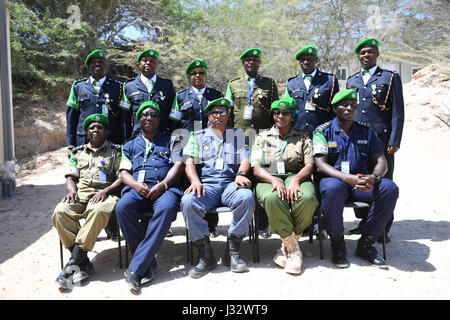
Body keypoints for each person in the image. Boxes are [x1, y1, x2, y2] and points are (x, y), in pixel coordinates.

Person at [313, 89, 399, 269]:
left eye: (353, 105)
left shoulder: (366, 132)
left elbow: (381, 160)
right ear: (335, 108)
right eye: (344, 105)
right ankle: (337, 244)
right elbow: (321, 164)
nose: (349, 108)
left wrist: (374, 177)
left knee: (389, 188)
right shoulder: (322, 131)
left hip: (361, 183)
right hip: (335, 180)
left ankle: (366, 243)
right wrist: (347, 178)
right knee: (332, 189)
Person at [181, 98, 255, 279]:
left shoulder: (237, 134)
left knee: (246, 197)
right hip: (208, 184)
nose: (219, 116)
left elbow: (245, 159)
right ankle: (205, 254)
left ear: (228, 115)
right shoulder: (196, 136)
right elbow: (188, 161)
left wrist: (242, 174)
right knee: (188, 201)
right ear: (208, 116)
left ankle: (233, 251)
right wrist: (195, 181)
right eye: (215, 113)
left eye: (223, 112)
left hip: (231, 182)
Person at [115, 101, 184, 294]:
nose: (149, 117)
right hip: (138, 189)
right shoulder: (128, 145)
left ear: (159, 119)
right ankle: (148, 263)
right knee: (122, 208)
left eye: (153, 114)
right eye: (145, 115)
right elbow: (124, 172)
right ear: (139, 120)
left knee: (167, 208)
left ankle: (137, 269)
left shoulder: (173, 140)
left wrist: (164, 185)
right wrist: (135, 185)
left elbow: (178, 166)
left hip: (165, 188)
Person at [52, 114, 122, 291]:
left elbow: (122, 177)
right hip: (81, 194)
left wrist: (106, 191)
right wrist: (72, 191)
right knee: (60, 211)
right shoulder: (78, 152)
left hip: (105, 194)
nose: (96, 130)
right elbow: (70, 177)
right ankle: (83, 262)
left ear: (106, 131)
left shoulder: (116, 151)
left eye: (99, 127)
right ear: (87, 133)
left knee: (97, 211)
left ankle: (73, 264)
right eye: (92, 128)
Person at [346, 38, 404, 241]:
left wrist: (394, 139)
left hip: (381, 140)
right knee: (361, 180)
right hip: (358, 141)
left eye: (370, 52)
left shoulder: (389, 78)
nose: (366, 56)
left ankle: (383, 228)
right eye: (362, 53)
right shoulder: (351, 81)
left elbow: (398, 111)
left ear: (377, 54)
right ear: (358, 56)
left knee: (383, 182)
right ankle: (365, 222)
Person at [251, 97, 318, 275]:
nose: (281, 116)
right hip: (268, 177)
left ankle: (287, 246)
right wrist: (274, 180)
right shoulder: (261, 137)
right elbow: (256, 168)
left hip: (296, 175)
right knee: (272, 198)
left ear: (292, 115)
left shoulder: (303, 136)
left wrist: (295, 181)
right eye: (276, 113)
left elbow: (310, 165)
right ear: (272, 116)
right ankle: (294, 250)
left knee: (307, 198)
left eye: (285, 113)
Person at [65, 49, 124, 240]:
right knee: (84, 182)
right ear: (88, 66)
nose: (97, 65)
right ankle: (86, 225)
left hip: (111, 141)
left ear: (106, 66)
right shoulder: (77, 87)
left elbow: (123, 117)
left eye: (101, 62)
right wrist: (69, 144)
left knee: (111, 182)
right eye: (93, 62)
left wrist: (124, 141)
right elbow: (71, 118)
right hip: (84, 142)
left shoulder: (117, 87)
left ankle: (112, 226)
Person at [225, 47, 279, 239]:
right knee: (241, 179)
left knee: (261, 179)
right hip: (240, 139)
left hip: (263, 138)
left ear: (259, 63)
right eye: (248, 60)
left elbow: (275, 113)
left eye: (255, 61)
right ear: (243, 63)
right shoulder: (233, 85)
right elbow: (228, 114)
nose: (251, 63)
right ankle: (242, 224)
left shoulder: (269, 84)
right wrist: (230, 140)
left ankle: (263, 224)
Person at [169, 59, 223, 237]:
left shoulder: (216, 94)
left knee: (210, 180)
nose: (197, 76)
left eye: (201, 72)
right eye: (193, 73)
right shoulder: (181, 97)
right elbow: (174, 123)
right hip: (189, 146)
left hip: (211, 145)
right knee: (191, 183)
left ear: (206, 75)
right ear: (189, 77)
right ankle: (193, 224)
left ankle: (212, 224)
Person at [120, 48, 176, 139]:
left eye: (152, 61)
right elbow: (124, 118)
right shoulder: (129, 86)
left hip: (162, 138)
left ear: (157, 64)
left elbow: (173, 116)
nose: (148, 63)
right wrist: (126, 141)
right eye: (145, 60)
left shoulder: (167, 85)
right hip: (137, 138)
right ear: (139, 64)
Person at [284, 45, 339, 136]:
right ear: (299, 62)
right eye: (303, 59)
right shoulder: (291, 83)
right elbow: (288, 110)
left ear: (316, 60)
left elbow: (335, 109)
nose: (306, 62)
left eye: (310, 59)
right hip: (297, 133)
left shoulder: (329, 80)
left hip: (322, 133)